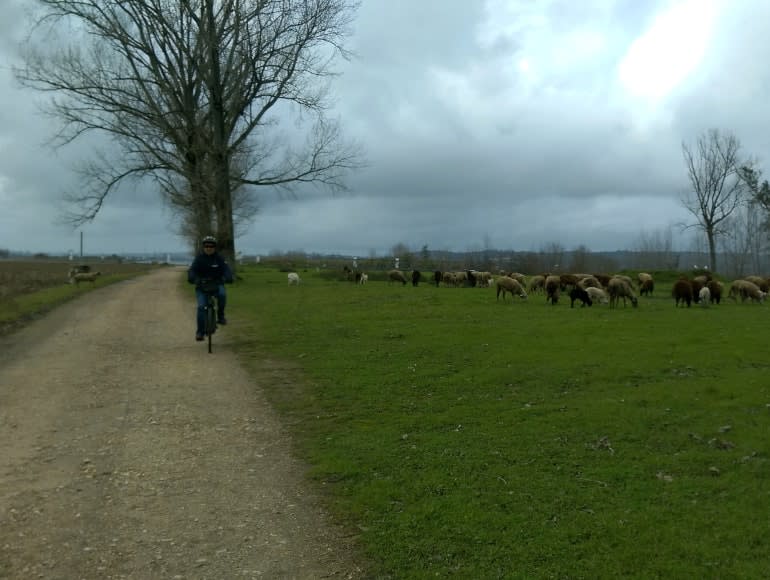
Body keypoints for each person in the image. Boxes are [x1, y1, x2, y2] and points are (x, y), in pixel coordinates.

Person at [187, 235, 234, 341]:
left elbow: (226, 270)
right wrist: (192, 278)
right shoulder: (198, 259)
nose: (209, 248)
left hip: (217, 284)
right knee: (201, 307)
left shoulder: (220, 259)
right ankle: (200, 332)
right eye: (206, 246)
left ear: (214, 247)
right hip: (202, 286)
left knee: (222, 295)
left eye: (211, 246)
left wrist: (228, 277)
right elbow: (192, 270)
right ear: (203, 247)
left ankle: (221, 316)